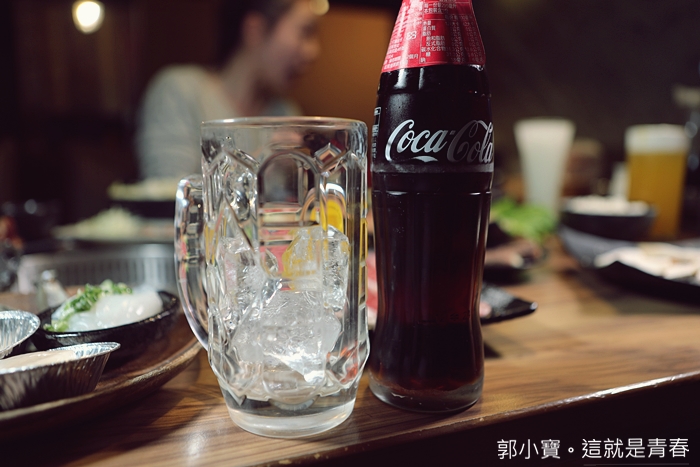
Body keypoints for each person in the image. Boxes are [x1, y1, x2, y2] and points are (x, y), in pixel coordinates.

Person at [136, 0, 322, 179]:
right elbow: (170, 191)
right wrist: (262, 160)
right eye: (305, 32)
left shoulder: (285, 113)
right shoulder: (180, 92)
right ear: (255, 30)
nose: (313, 51)